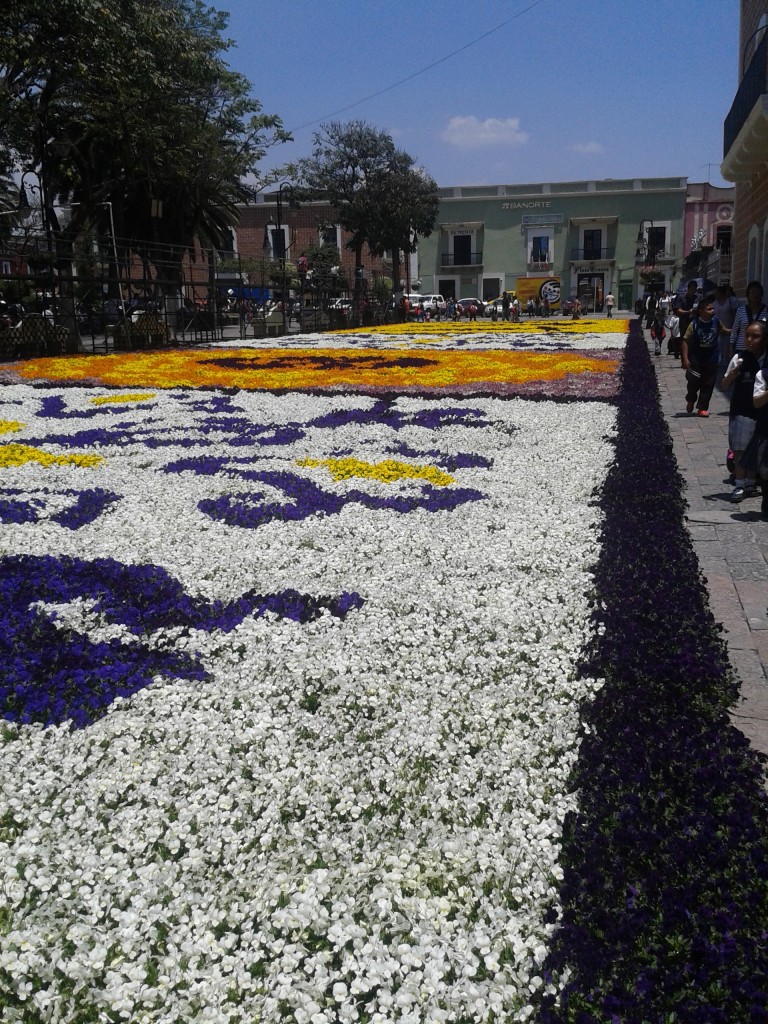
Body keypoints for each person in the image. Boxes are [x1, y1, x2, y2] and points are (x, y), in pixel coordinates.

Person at [721, 320, 766, 501]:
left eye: (755, 336)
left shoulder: (765, 360)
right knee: (740, 447)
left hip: (761, 411)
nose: (749, 340)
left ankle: (750, 482)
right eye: (747, 335)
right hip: (741, 409)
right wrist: (732, 375)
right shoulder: (740, 358)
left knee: (756, 448)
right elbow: (724, 383)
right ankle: (739, 484)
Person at [680, 295, 720, 417]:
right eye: (709, 309)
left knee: (708, 383)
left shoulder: (716, 321)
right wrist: (685, 359)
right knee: (693, 381)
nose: (712, 311)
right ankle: (691, 399)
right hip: (696, 359)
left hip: (711, 358)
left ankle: (702, 407)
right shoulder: (694, 324)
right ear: (701, 311)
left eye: (713, 309)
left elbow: (723, 329)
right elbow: (685, 341)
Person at [730, 280, 768, 354]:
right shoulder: (740, 310)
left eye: (757, 292)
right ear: (748, 295)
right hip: (741, 349)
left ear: (761, 294)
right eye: (752, 292)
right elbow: (734, 330)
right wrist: (731, 347)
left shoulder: (766, 311)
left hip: (759, 350)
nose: (755, 294)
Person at [673, 280, 699, 357]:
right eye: (691, 289)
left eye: (695, 289)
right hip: (685, 322)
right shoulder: (681, 297)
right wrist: (688, 312)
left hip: (696, 322)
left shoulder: (699, 297)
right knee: (684, 340)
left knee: (695, 340)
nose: (693, 291)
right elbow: (678, 310)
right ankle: (684, 357)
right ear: (688, 289)